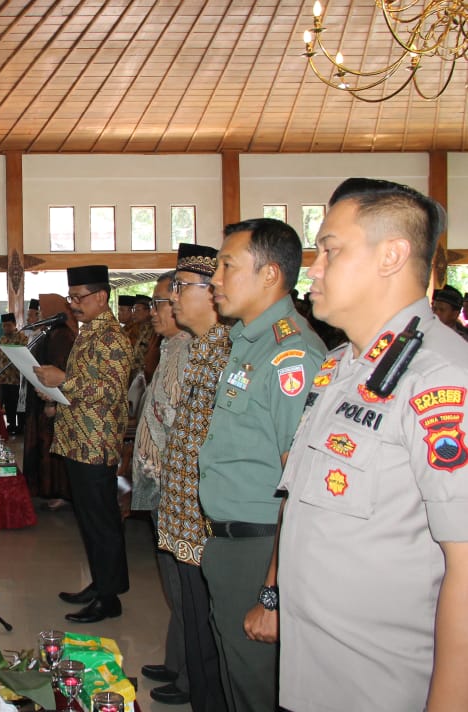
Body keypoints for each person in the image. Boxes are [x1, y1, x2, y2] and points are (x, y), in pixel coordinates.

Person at [278, 178, 468, 711]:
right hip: (314, 669)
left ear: (391, 256)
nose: (313, 270)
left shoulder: (440, 379)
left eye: (330, 251)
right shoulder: (342, 366)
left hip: (382, 686)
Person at [198, 218, 325, 712]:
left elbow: (302, 487)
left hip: (262, 547)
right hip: (231, 542)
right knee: (237, 679)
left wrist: (272, 592)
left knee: (257, 689)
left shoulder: (291, 355)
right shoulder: (251, 342)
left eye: (227, 266)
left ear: (270, 274)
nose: (215, 279)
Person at [155, 245, 230, 712]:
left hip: (205, 525)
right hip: (183, 516)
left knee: (208, 629)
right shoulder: (202, 348)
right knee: (194, 621)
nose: (172, 297)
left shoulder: (228, 352)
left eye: (182, 287)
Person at [35, 265, 131, 624]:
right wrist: (54, 392)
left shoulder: (113, 337)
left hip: (96, 442)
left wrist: (64, 381)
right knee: (91, 521)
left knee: (101, 521)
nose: (73, 304)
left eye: (79, 297)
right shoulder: (90, 332)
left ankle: (109, 599)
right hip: (78, 439)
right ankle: (101, 583)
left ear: (101, 297)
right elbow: (85, 385)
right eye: (70, 297)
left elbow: (111, 391)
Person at [130, 272, 192, 707]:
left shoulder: (191, 351)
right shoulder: (169, 346)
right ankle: (176, 660)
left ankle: (189, 674)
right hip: (157, 480)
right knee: (171, 578)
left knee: (184, 585)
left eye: (159, 303)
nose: (152, 312)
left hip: (174, 484)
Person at [23, 294, 77, 504]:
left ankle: (58, 491)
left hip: (52, 400)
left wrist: (51, 402)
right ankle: (45, 489)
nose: (41, 315)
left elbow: (58, 368)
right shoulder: (50, 331)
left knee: (52, 449)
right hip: (41, 396)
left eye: (44, 311)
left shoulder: (62, 335)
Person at [0, 312, 27, 434]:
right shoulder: (2, 339)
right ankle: (11, 425)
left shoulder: (22, 338)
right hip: (4, 379)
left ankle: (21, 426)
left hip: (17, 379)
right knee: (8, 403)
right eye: (4, 325)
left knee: (18, 404)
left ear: (14, 324)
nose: (6, 328)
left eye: (8, 325)